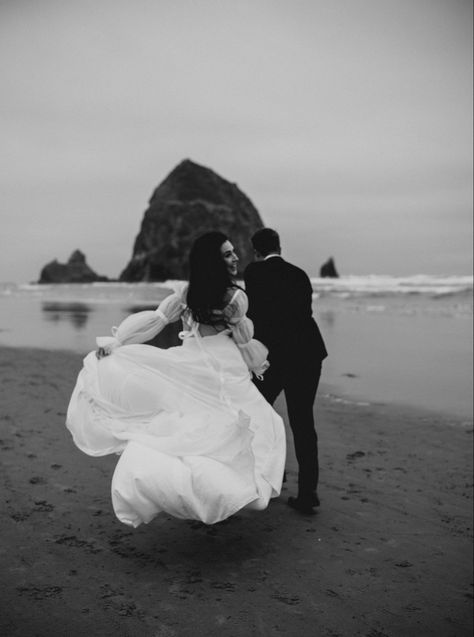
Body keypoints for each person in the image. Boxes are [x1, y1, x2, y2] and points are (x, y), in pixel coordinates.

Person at [66, 232, 286, 527]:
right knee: (261, 424)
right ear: (214, 261)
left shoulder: (185, 293)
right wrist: (257, 362)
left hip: (193, 361)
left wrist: (119, 342)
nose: (235, 258)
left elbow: (156, 322)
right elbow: (244, 342)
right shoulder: (235, 298)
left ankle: (193, 487)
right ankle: (230, 490)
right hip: (225, 367)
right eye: (227, 254)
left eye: (234, 252)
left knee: (193, 422)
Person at [244, 228, 328, 515]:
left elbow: (255, 316)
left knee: (257, 414)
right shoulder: (300, 274)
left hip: (276, 358)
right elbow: (303, 314)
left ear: (255, 251)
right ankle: (308, 493)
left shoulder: (254, 273)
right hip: (308, 354)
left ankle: (268, 477)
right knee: (303, 422)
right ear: (280, 247)